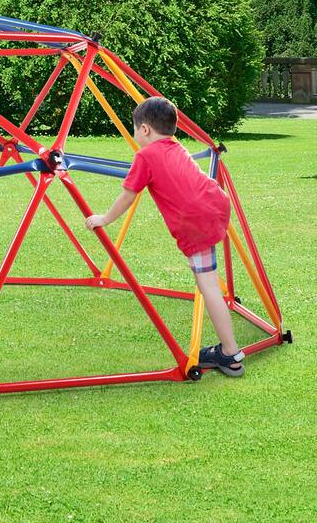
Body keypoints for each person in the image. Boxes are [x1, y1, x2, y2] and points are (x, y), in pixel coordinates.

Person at [84, 96, 244, 377]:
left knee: (207, 285)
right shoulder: (176, 146)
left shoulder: (145, 156)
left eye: (135, 130)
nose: (135, 136)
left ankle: (231, 354)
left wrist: (104, 219)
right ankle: (229, 351)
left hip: (196, 220)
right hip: (216, 205)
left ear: (144, 130)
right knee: (207, 276)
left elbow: (128, 195)